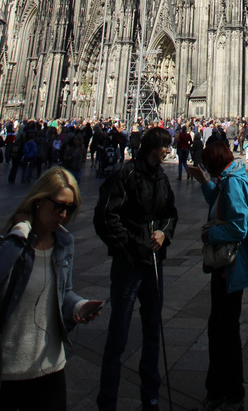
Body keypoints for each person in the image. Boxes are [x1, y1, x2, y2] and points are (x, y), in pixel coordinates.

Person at [0, 167, 102, 411]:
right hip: (7, 368)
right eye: (58, 205)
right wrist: (21, 229)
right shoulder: (10, 242)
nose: (63, 214)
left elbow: (62, 291)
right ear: (38, 201)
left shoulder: (65, 242)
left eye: (70, 208)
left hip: (50, 366)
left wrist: (79, 306)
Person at [94, 127, 178, 411]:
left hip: (153, 264)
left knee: (153, 330)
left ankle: (150, 394)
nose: (168, 150)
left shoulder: (161, 177)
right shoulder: (126, 174)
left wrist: (164, 234)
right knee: (118, 334)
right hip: (130, 264)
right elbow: (105, 216)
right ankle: (107, 400)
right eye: (165, 146)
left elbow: (170, 214)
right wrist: (128, 248)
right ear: (153, 148)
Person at [187, 140, 248, 411]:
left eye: (208, 167)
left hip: (230, 269)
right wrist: (204, 183)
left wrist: (210, 234)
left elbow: (238, 226)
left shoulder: (233, 181)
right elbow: (219, 202)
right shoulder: (228, 177)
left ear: (214, 163)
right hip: (224, 268)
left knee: (225, 331)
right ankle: (220, 390)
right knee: (220, 329)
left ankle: (231, 394)